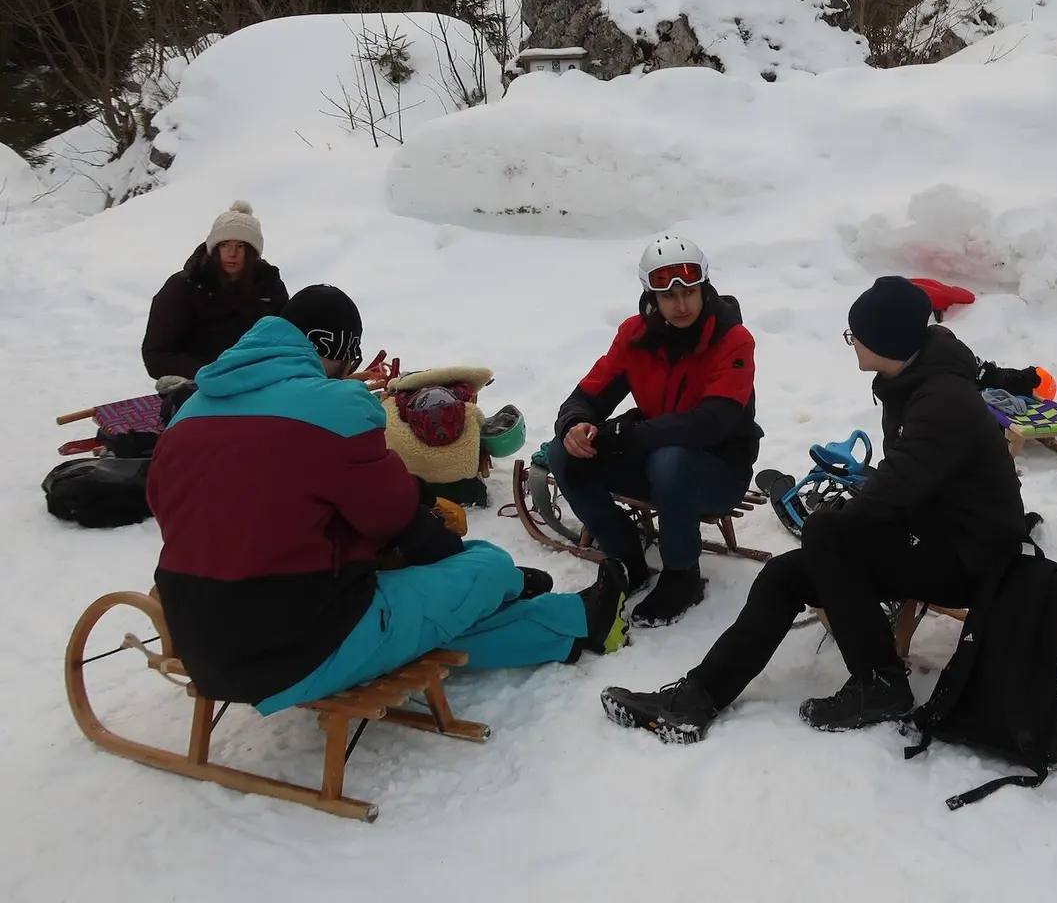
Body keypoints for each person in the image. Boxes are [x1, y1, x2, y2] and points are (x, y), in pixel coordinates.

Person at [145, 284, 627, 715]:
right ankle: (567, 617)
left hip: (200, 642)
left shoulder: (188, 414)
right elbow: (397, 518)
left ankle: (575, 621)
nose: (345, 375)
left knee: (409, 602)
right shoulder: (332, 407)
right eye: (349, 362)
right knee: (487, 567)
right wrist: (476, 576)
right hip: (302, 644)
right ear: (329, 347)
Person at [601, 276, 1028, 743]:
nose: (851, 344)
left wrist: (837, 526)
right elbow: (907, 481)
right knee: (788, 574)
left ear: (883, 339)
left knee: (826, 533)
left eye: (855, 335)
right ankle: (697, 697)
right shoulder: (910, 378)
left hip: (973, 557)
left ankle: (881, 684)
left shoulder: (942, 399)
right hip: (933, 533)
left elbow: (899, 485)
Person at [548, 234, 762, 628]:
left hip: (717, 471)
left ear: (705, 288)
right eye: (669, 296)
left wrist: (627, 436)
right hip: (655, 459)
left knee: (671, 460)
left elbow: (711, 422)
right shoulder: (635, 335)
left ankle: (683, 575)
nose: (681, 305)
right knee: (561, 453)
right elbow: (587, 395)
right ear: (652, 296)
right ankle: (626, 555)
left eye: (690, 292)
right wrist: (573, 426)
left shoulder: (732, 340)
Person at [141, 200, 290, 382]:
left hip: (260, 382)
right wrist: (211, 373)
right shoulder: (183, 287)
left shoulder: (269, 285)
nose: (232, 253)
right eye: (225, 244)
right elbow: (157, 354)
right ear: (214, 248)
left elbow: (286, 339)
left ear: (252, 251)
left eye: (240, 246)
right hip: (197, 385)